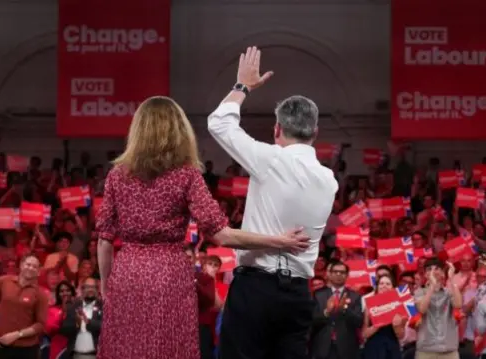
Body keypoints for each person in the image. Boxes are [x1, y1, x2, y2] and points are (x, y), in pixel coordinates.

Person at [95, 96, 312, 359]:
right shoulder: (186, 175)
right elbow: (222, 234)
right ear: (179, 130)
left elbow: (104, 240)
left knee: (126, 349)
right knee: (169, 348)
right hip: (169, 275)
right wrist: (279, 241)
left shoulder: (117, 175)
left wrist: (107, 286)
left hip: (127, 275)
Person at [208, 46, 339, 359]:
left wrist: (242, 87)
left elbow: (219, 124)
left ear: (277, 129)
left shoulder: (270, 160)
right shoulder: (329, 180)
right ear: (315, 132)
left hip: (256, 289)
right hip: (297, 296)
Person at [0, 253, 48, 359]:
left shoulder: (41, 294)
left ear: (38, 272)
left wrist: (17, 335)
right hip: (3, 345)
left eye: (34, 266)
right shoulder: (3, 282)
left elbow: (40, 325)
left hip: (27, 348)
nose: (30, 268)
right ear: (21, 265)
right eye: (28, 264)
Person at [310, 260, 363, 359]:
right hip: (323, 347)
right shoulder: (319, 294)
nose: (338, 274)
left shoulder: (355, 296)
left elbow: (359, 321)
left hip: (346, 348)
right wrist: (326, 312)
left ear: (347, 275)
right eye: (335, 271)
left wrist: (344, 309)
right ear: (329, 274)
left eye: (342, 272)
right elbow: (312, 320)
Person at [361, 274, 405, 359]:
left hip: (391, 348)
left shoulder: (399, 305)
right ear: (377, 287)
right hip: (373, 349)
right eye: (381, 283)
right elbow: (364, 334)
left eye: (388, 284)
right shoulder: (369, 305)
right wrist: (377, 325)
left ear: (393, 288)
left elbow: (401, 336)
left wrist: (397, 326)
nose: (384, 285)